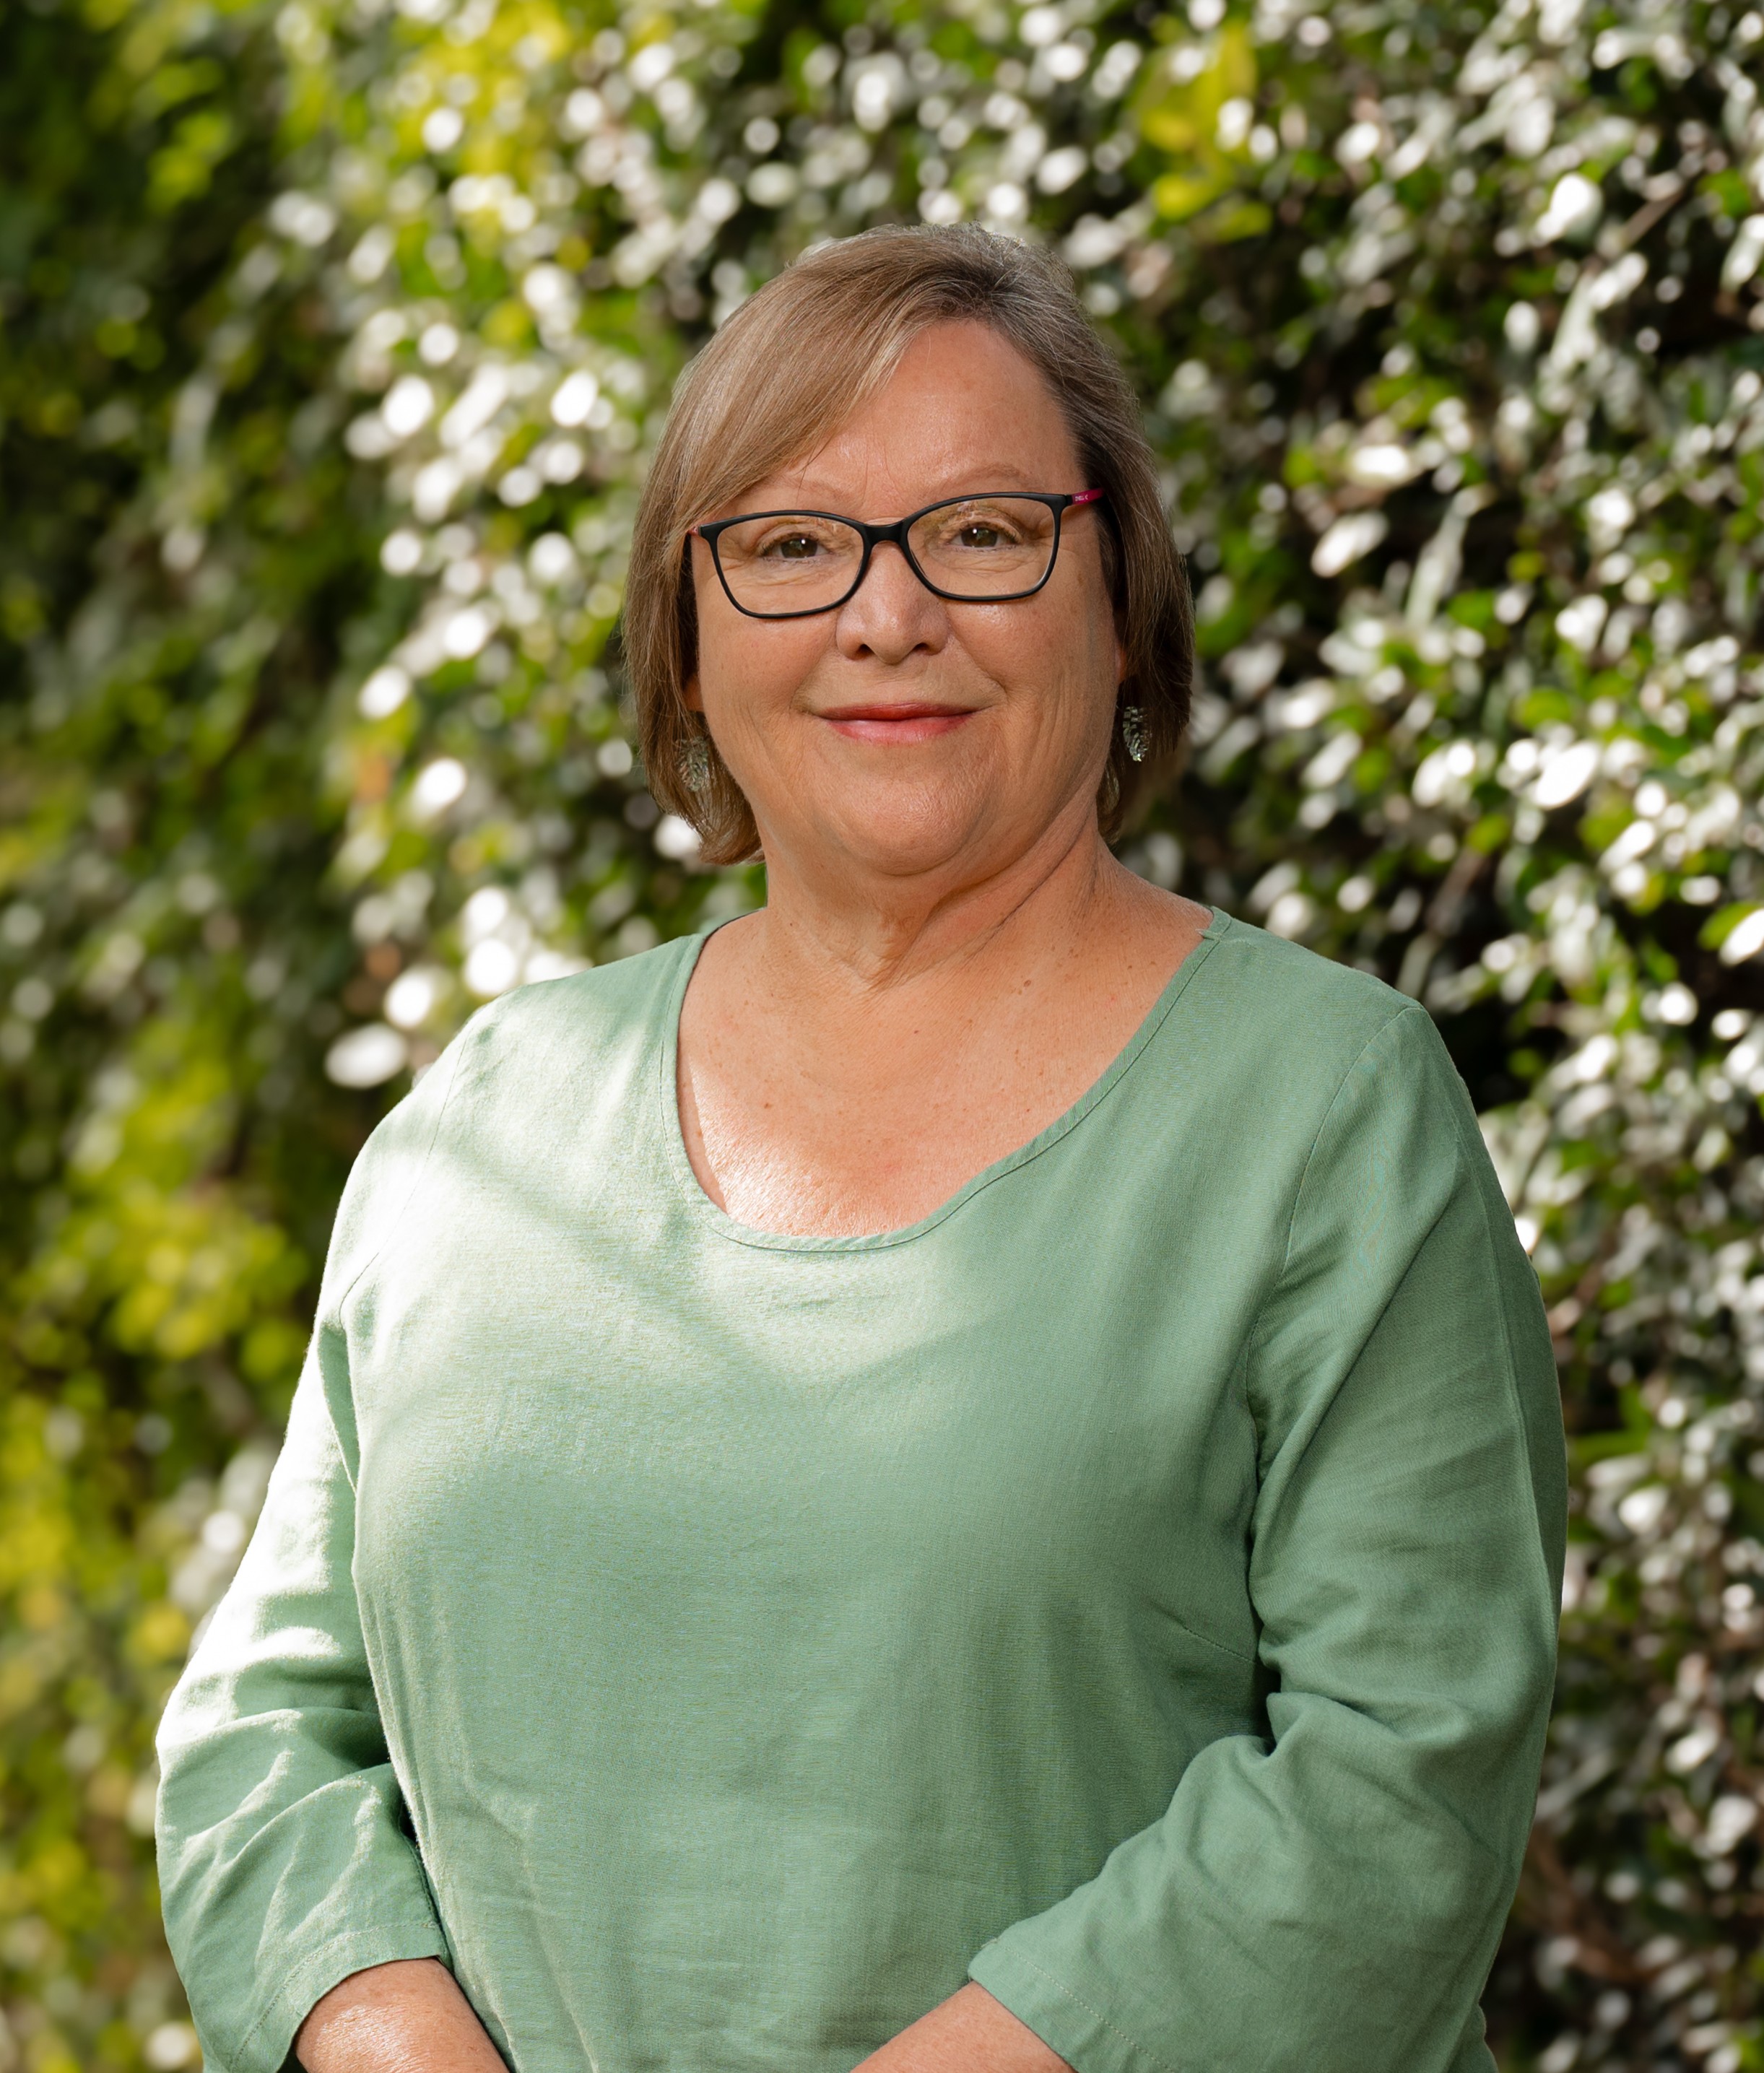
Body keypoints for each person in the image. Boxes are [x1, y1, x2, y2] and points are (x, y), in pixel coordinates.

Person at [156, 225, 1565, 2073]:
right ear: (685, 626)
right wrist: (387, 2041)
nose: (885, 614)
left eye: (980, 533)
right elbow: (267, 1731)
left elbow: (1402, 1778)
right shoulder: (482, 1124)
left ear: (1116, 590)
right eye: (790, 544)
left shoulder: (1324, 1114)